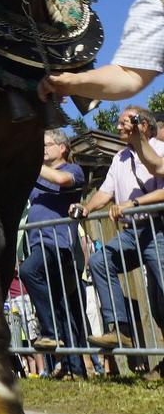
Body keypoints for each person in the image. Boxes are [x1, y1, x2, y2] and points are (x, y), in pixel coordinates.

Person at [69, 106, 164, 371]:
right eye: (119, 122)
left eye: (125, 122)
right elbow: (105, 192)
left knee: (161, 296)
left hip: (157, 228)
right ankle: (120, 329)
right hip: (131, 233)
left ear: (143, 125)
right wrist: (87, 208)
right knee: (100, 261)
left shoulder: (160, 148)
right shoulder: (119, 158)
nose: (119, 126)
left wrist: (133, 204)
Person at [16, 130, 88, 378]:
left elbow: (60, 179)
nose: (43, 149)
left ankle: (51, 331)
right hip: (38, 243)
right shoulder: (38, 177)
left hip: (58, 243)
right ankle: (73, 368)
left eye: (46, 144)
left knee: (28, 271)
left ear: (62, 148)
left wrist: (32, 164)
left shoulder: (73, 170)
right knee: (61, 306)